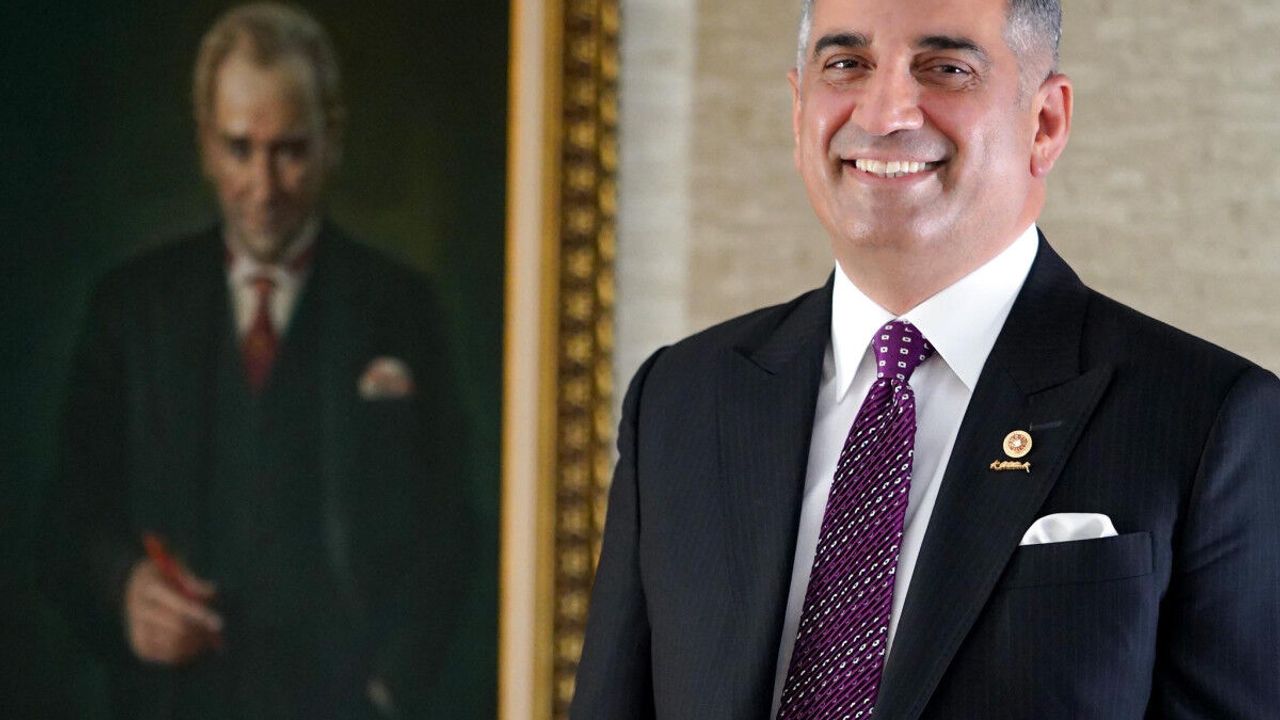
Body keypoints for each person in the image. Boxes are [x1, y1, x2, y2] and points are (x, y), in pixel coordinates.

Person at [572, 0, 1280, 717]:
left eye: (946, 69)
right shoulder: (680, 399)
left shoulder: (1212, 419)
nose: (884, 114)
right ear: (798, 109)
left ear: (1045, 123)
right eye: (846, 64)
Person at [39, 4, 472, 718]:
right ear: (205, 145)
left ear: (332, 141)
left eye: (290, 151)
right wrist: (124, 587)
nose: (264, 188)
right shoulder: (132, 307)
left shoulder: (400, 309)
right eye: (240, 149)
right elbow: (66, 517)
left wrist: (388, 687)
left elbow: (452, 529)